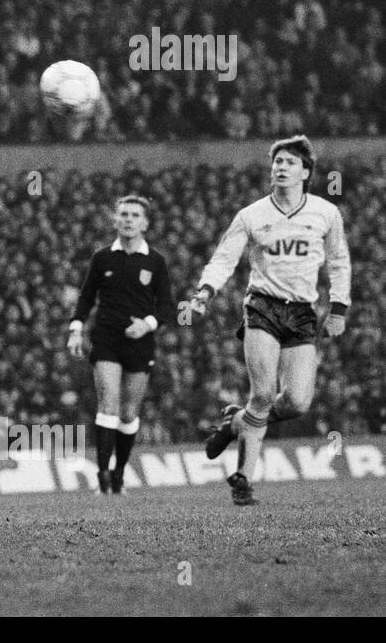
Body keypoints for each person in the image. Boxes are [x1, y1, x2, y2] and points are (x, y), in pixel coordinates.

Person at [193, 136, 351, 506]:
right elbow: (224, 259)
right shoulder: (251, 215)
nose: (280, 167)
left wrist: (339, 308)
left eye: (289, 162)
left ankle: (236, 423)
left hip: (302, 313)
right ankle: (243, 480)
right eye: (277, 161)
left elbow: (340, 262)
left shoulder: (325, 214)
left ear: (305, 172)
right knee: (262, 393)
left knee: (297, 402)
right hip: (262, 307)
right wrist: (205, 292)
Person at [67, 196, 175, 493]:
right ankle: (102, 475)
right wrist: (76, 329)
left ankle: (118, 473)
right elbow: (86, 297)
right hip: (106, 339)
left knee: (128, 413)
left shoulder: (155, 261)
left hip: (140, 343)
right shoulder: (102, 258)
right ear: (115, 220)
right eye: (123, 214)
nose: (128, 219)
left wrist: (147, 324)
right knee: (109, 404)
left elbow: (167, 306)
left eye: (135, 215)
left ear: (145, 223)